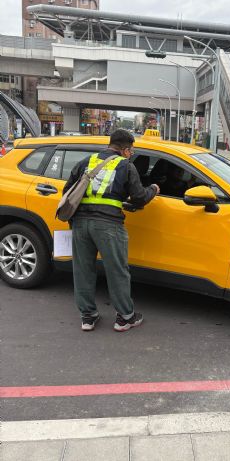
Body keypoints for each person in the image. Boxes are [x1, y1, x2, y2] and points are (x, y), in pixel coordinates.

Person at [63, 129, 159, 332]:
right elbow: (140, 197)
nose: (131, 154)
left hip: (80, 224)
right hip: (108, 226)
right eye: (131, 150)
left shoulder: (86, 162)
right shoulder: (126, 166)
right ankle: (125, 317)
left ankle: (88, 317)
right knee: (117, 271)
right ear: (124, 149)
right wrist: (154, 189)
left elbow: (67, 192)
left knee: (83, 270)